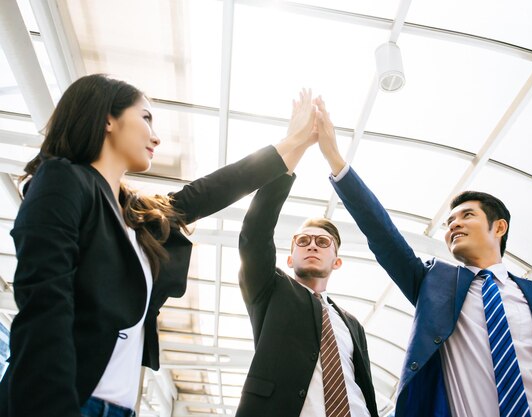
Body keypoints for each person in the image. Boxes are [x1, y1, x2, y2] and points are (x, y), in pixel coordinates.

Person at [0, 74, 318, 417]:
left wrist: (295, 142)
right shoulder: (63, 179)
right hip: (60, 401)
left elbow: (216, 188)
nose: (156, 136)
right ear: (108, 118)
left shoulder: (137, 216)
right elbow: (44, 300)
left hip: (119, 408)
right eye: (146, 117)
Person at [313, 97, 532, 417]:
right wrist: (335, 159)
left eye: (466, 215)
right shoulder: (434, 285)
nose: (454, 224)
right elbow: (383, 236)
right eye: (449, 223)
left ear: (498, 227)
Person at [236, 138, 378, 416]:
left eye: (323, 243)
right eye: (303, 241)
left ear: (336, 262)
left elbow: (361, 384)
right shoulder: (269, 289)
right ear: (289, 259)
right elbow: (255, 234)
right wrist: (290, 157)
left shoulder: (352, 324)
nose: (312, 245)